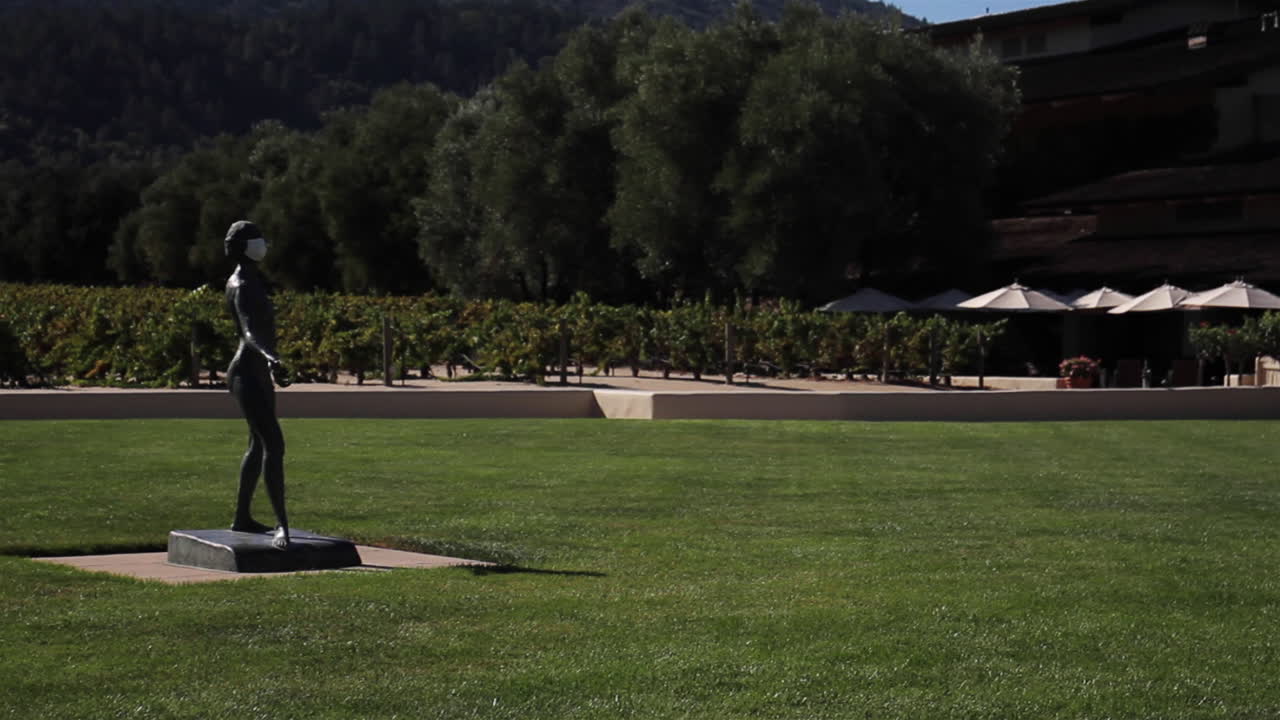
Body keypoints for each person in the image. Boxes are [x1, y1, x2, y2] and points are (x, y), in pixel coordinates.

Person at [224, 220, 291, 549]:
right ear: (245, 245)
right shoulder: (242, 284)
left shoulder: (251, 279)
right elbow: (249, 333)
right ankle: (282, 526)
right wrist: (271, 357)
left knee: (257, 443)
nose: (263, 243)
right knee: (274, 444)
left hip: (257, 372)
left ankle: (242, 517)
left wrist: (269, 362)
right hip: (247, 372)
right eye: (257, 238)